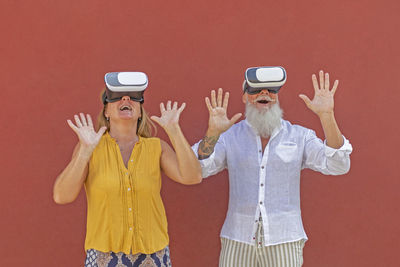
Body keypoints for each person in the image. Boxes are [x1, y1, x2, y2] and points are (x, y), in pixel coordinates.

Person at [192, 67, 353, 267]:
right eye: (255, 90)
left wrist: (327, 115)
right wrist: (213, 132)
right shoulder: (230, 137)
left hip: (284, 239)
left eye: (271, 90)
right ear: (244, 97)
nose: (264, 94)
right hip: (238, 238)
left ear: (276, 96)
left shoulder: (299, 136)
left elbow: (338, 165)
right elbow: (199, 168)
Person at [53, 72, 202, 267]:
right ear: (106, 111)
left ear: (140, 111)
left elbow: (192, 177)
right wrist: (84, 153)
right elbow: (62, 196)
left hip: (153, 256)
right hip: (103, 257)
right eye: (116, 96)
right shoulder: (91, 149)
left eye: (133, 97)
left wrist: (174, 130)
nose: (126, 99)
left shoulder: (156, 148)